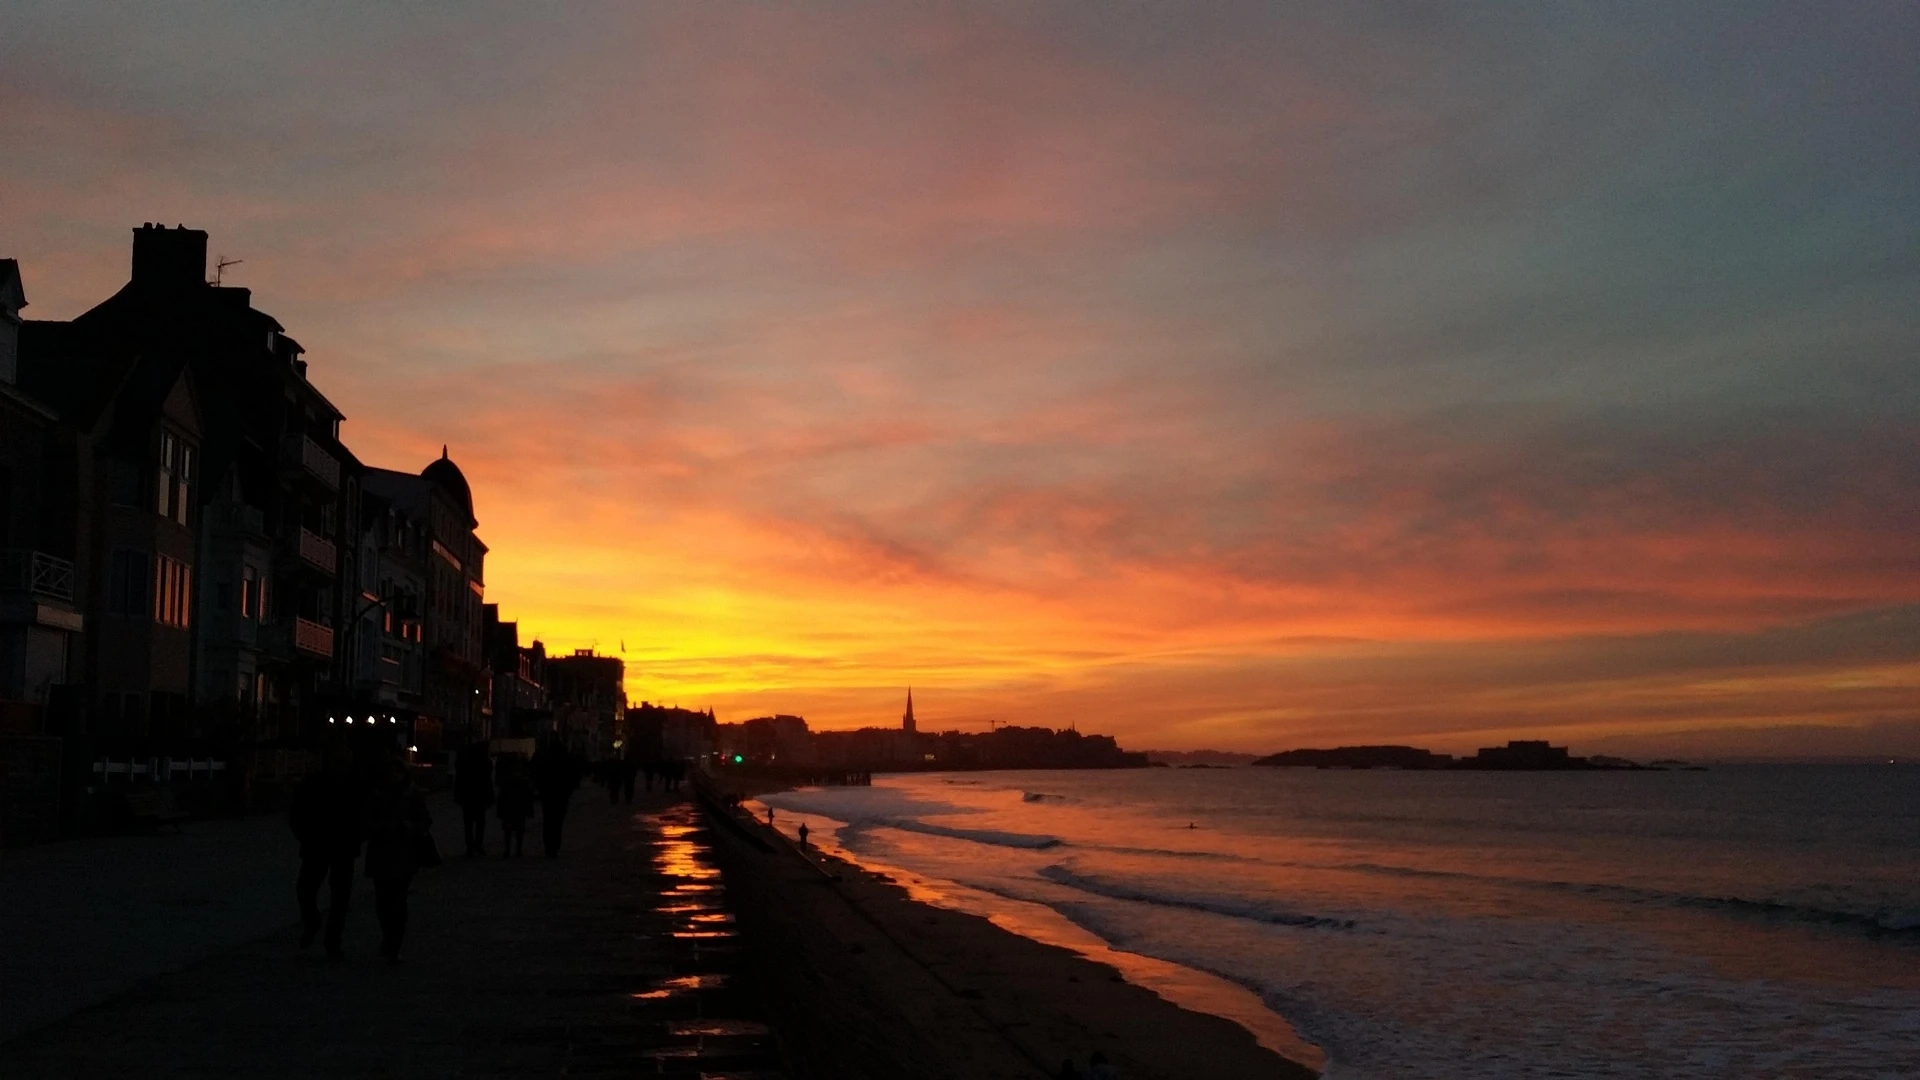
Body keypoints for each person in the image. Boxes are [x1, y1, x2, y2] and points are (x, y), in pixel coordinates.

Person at [289, 742, 362, 960]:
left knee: (338, 897)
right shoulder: (313, 784)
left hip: (340, 846)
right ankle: (316, 926)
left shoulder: (353, 785)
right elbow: (297, 813)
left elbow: (364, 815)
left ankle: (331, 939)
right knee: (307, 890)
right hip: (318, 845)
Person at [363, 756, 432, 963]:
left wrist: (408, 828)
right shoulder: (374, 795)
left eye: (397, 772)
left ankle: (394, 944)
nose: (393, 776)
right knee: (383, 902)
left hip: (404, 853)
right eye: (389, 772)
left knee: (398, 901)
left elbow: (425, 820)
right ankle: (388, 938)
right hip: (382, 852)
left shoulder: (412, 794)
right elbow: (365, 823)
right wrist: (381, 828)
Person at [530, 737, 579, 858]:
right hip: (561, 796)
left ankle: (549, 846)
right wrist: (568, 791)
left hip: (548, 796)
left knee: (548, 822)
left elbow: (538, 775)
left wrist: (540, 790)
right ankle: (555, 847)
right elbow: (572, 777)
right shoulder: (565, 760)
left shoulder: (546, 759)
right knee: (557, 823)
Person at [454, 742, 493, 857]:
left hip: (468, 797)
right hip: (479, 796)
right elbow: (488, 781)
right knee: (479, 824)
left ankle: (470, 847)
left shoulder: (464, 764)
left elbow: (459, 781)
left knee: (469, 824)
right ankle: (477, 845)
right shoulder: (483, 763)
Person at [495, 754, 535, 857]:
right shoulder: (523, 775)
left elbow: (502, 794)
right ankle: (518, 849)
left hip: (509, 806)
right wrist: (529, 808)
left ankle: (508, 849)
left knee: (508, 830)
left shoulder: (506, 776)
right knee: (519, 829)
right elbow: (528, 793)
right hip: (519, 806)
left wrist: (500, 809)